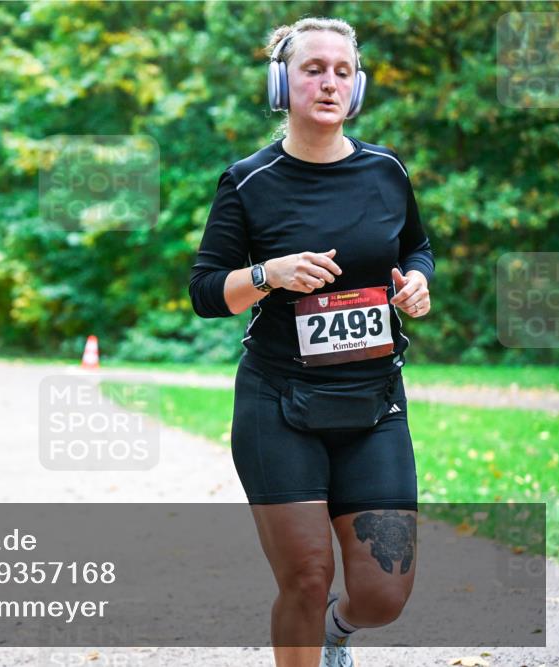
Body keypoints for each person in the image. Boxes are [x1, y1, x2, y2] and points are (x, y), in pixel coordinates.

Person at [188, 17, 434, 667]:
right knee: (305, 576)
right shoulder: (248, 180)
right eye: (312, 69)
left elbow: (416, 246)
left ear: (356, 87)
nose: (328, 82)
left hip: (374, 404)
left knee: (384, 593)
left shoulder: (385, 171)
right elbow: (207, 289)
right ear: (282, 81)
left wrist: (416, 281)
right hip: (278, 403)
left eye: (342, 71)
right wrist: (269, 274)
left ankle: (337, 633)